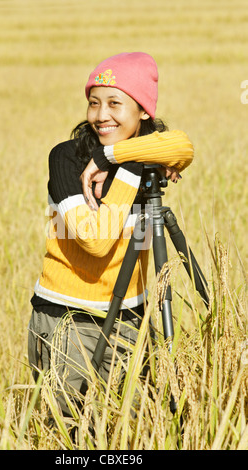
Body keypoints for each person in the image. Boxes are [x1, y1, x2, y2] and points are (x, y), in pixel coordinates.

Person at [28, 52, 194, 414]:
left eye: (115, 103)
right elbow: (96, 239)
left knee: (136, 425)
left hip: (130, 319)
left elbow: (184, 146)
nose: (101, 115)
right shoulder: (67, 158)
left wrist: (112, 158)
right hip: (66, 320)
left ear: (143, 111)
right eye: (94, 103)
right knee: (66, 431)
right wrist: (135, 165)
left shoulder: (129, 156)